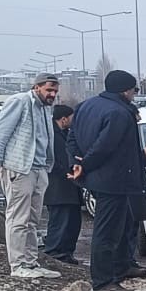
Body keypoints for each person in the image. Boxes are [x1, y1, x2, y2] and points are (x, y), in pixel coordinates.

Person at [70, 70, 146, 291]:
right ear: (125, 90)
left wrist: (77, 162)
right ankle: (103, 282)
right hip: (113, 180)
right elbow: (105, 146)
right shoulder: (119, 113)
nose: (134, 94)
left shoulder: (85, 106)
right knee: (107, 232)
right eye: (134, 90)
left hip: (100, 178)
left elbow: (72, 138)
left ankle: (122, 266)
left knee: (121, 226)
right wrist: (86, 164)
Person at [0, 73, 61, 278]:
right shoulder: (19, 102)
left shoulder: (45, 108)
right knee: (18, 218)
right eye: (49, 90)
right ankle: (18, 265)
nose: (52, 94)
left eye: (55, 91)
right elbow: (0, 133)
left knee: (32, 219)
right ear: (36, 87)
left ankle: (30, 263)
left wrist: (47, 165)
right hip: (19, 168)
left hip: (39, 169)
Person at [42, 104, 83, 263]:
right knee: (59, 221)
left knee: (72, 221)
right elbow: (53, 160)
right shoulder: (51, 135)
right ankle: (54, 252)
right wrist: (68, 171)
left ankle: (66, 252)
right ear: (64, 119)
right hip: (58, 186)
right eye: (72, 118)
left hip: (70, 185)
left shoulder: (65, 134)